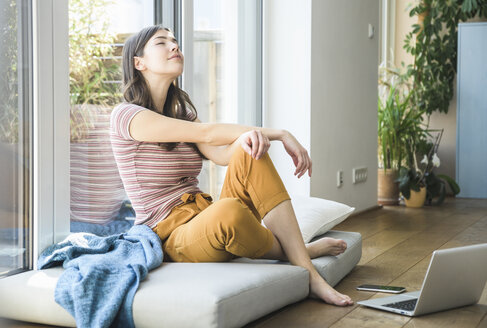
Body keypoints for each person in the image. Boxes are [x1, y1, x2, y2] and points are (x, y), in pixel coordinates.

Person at [110, 24, 353, 306]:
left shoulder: (183, 114)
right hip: (172, 235)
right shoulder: (126, 116)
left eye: (175, 41)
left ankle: (307, 272)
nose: (175, 46)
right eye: (161, 42)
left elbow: (223, 155)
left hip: (205, 213)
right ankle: (302, 254)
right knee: (229, 211)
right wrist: (281, 133)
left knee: (250, 151)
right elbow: (207, 134)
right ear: (138, 62)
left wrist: (249, 138)